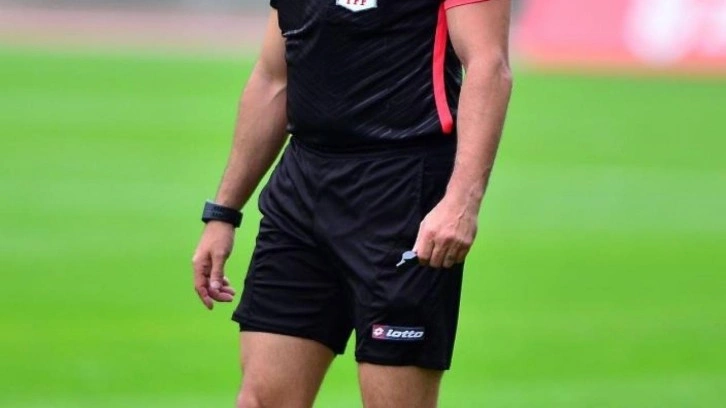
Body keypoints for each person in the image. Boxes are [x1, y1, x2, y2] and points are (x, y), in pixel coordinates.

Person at [192, 0, 512, 406]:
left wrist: (462, 201)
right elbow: (273, 79)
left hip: (402, 194)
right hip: (301, 190)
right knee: (261, 401)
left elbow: (488, 65)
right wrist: (223, 213)